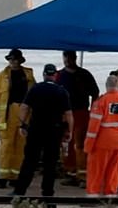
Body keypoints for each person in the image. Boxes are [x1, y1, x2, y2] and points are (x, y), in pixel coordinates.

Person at [11, 64, 73, 196]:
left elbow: (24, 108)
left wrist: (22, 125)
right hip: (54, 131)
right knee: (50, 164)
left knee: (29, 161)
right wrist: (70, 131)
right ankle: (48, 192)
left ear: (44, 75)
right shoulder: (62, 91)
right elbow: (68, 114)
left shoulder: (35, 89)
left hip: (36, 130)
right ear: (55, 76)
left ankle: (20, 191)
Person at [84, 76, 118, 197]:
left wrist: (88, 146)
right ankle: (110, 194)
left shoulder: (102, 101)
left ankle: (93, 194)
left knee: (96, 169)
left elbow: (93, 127)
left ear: (106, 85)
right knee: (114, 169)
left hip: (102, 142)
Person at [56, 50, 100, 188]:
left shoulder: (84, 74)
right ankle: (70, 173)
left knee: (80, 144)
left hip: (81, 113)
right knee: (66, 144)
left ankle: (83, 175)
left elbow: (95, 92)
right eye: (66, 57)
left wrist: (93, 111)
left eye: (71, 57)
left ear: (75, 57)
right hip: (64, 114)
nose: (68, 60)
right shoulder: (59, 75)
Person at [0, 49, 36, 188]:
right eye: (10, 59)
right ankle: (3, 176)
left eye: (14, 59)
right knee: (6, 145)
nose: (12, 62)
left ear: (19, 60)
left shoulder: (28, 75)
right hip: (7, 114)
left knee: (20, 145)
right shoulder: (1, 76)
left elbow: (34, 95)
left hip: (24, 112)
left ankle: (15, 176)